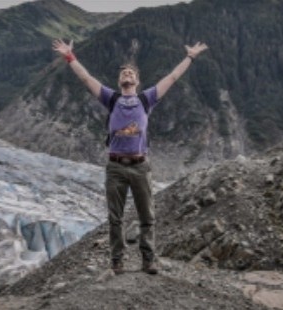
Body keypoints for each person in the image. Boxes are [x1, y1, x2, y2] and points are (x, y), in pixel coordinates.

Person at [52, 38, 208, 275]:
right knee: (115, 218)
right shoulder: (111, 99)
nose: (127, 74)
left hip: (140, 165)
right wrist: (70, 57)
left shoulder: (146, 99)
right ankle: (117, 261)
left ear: (137, 80)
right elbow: (86, 78)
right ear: (119, 80)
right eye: (124, 72)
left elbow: (172, 77)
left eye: (131, 73)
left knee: (147, 216)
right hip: (115, 166)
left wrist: (190, 57)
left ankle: (148, 260)